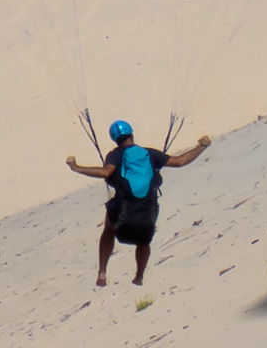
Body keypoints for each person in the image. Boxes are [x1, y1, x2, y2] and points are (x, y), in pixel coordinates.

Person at [67, 120, 211, 287]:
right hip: (147, 208)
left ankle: (102, 274)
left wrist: (76, 168)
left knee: (109, 229)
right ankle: (139, 276)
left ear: (115, 139)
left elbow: (105, 172)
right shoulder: (149, 154)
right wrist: (202, 146)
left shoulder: (115, 155)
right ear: (132, 135)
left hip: (123, 206)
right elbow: (180, 161)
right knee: (144, 241)